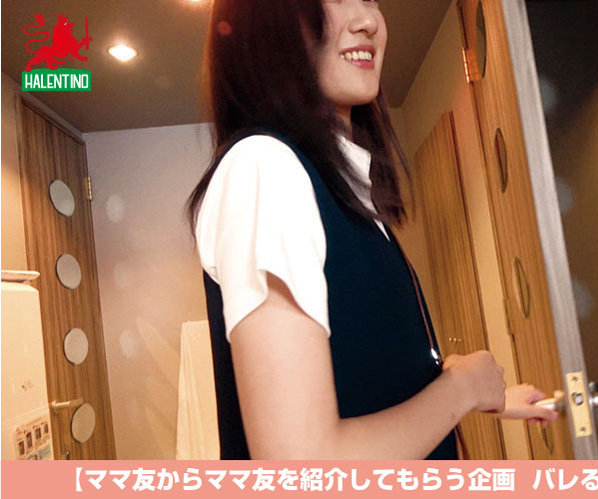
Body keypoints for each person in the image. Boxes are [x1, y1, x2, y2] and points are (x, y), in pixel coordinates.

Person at [186, 0, 558, 460]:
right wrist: (460, 389)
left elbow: (359, 372)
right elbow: (301, 466)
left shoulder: (340, 189)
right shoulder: (266, 166)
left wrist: (457, 381)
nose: (367, 21)